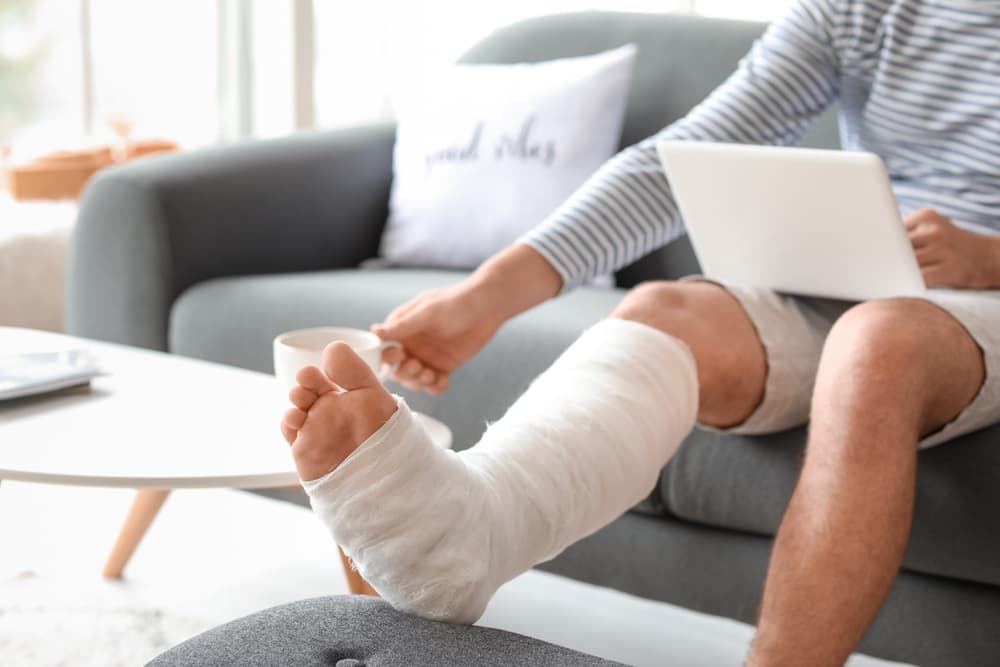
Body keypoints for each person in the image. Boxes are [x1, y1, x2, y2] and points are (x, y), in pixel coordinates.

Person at [280, 1, 1000, 665]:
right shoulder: (863, 9)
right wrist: (484, 298)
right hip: (863, 272)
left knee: (876, 342)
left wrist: (989, 256)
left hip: (975, 298)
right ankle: (467, 534)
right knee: (666, 309)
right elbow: (676, 163)